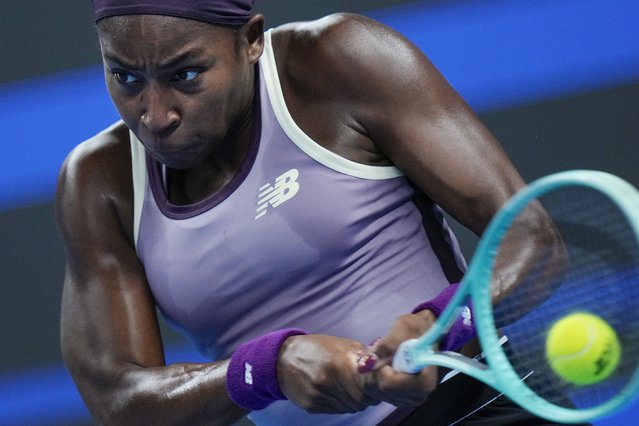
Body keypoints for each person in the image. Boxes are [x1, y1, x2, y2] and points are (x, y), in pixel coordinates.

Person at [56, 1, 546, 424]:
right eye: (125, 77)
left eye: (185, 74)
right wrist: (269, 368)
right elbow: (119, 402)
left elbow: (533, 239)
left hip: (479, 408)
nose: (156, 114)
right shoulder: (100, 182)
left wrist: (440, 324)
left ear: (250, 41)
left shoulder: (340, 60)